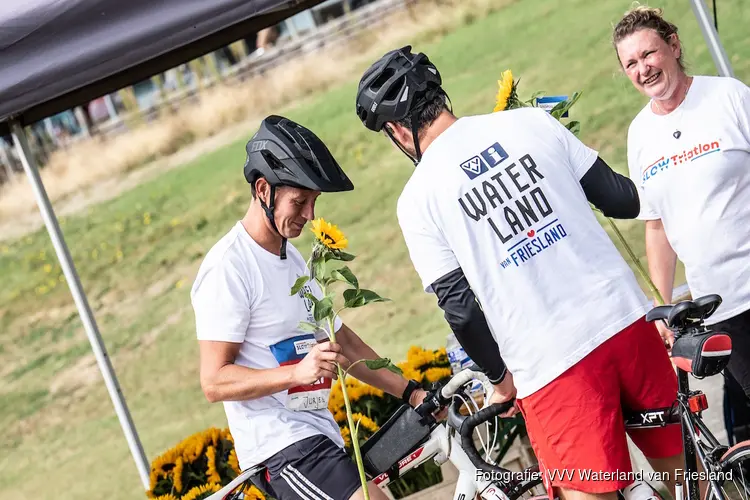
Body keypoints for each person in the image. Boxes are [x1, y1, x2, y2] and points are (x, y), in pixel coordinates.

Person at [354, 45, 684, 500]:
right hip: (628, 324)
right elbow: (623, 200)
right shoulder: (530, 122)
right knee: (685, 481)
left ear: (396, 130)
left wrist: (499, 379)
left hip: (554, 364)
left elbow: (461, 310)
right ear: (440, 95)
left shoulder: (417, 200)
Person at [190, 115, 429, 500]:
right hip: (284, 450)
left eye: (313, 202)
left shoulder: (295, 260)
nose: (310, 216)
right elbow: (214, 382)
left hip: (317, 437)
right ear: (263, 189)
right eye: (299, 201)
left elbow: (343, 343)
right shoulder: (228, 267)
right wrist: (295, 374)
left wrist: (412, 393)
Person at [613, 5, 750, 399]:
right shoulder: (640, 134)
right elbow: (656, 225)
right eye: (631, 63)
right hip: (720, 309)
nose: (643, 69)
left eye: (649, 54)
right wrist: (663, 308)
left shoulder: (728, 97)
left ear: (673, 45)